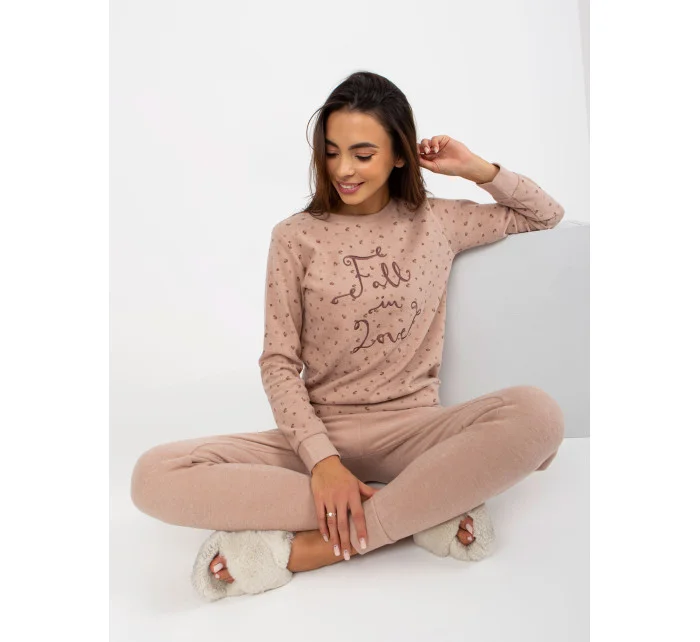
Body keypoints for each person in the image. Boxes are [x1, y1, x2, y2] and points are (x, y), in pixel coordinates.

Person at [130, 70, 566, 598]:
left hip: (415, 432)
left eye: (362, 154)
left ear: (399, 154)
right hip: (316, 433)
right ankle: (424, 507)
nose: (342, 169)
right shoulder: (295, 237)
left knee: (539, 413)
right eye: (332, 151)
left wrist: (476, 168)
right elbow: (278, 362)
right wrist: (323, 462)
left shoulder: (438, 222)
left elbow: (545, 214)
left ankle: (320, 545)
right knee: (153, 474)